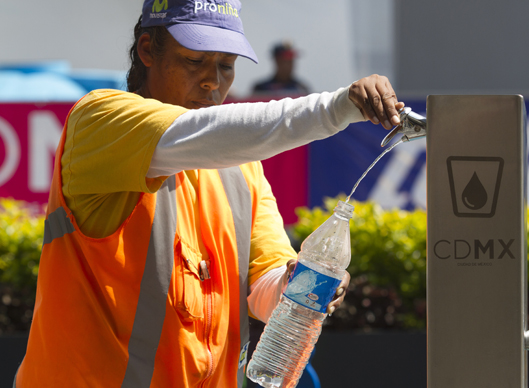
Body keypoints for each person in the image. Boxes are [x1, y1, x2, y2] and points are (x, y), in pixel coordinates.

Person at [14, 0, 403, 387]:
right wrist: (337, 108)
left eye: (226, 65)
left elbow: (266, 290)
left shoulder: (243, 165)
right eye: (195, 61)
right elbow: (205, 134)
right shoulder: (98, 119)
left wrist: (300, 286)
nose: (212, 82)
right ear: (147, 50)